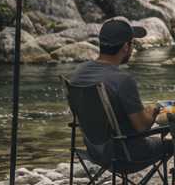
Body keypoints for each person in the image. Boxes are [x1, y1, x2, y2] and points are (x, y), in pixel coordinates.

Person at [70, 19, 169, 166]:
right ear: (125, 47)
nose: (132, 48)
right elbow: (142, 126)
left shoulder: (79, 72)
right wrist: (153, 110)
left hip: (94, 151)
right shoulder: (123, 80)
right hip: (125, 156)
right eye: (132, 43)